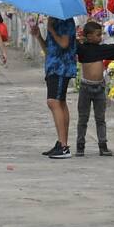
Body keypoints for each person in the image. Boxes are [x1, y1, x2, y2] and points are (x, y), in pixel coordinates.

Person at [74, 21, 114, 157]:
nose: (101, 37)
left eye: (101, 34)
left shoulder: (102, 49)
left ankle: (103, 145)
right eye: (98, 35)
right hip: (85, 87)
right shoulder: (82, 49)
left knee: (100, 118)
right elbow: (71, 43)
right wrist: (80, 38)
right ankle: (80, 145)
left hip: (99, 88)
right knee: (83, 118)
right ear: (88, 36)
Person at [30, 16, 77, 159]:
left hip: (61, 67)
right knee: (59, 102)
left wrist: (51, 29)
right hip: (52, 67)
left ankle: (64, 147)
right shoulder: (54, 20)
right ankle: (61, 142)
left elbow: (64, 43)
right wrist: (39, 36)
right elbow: (49, 49)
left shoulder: (65, 21)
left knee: (53, 102)